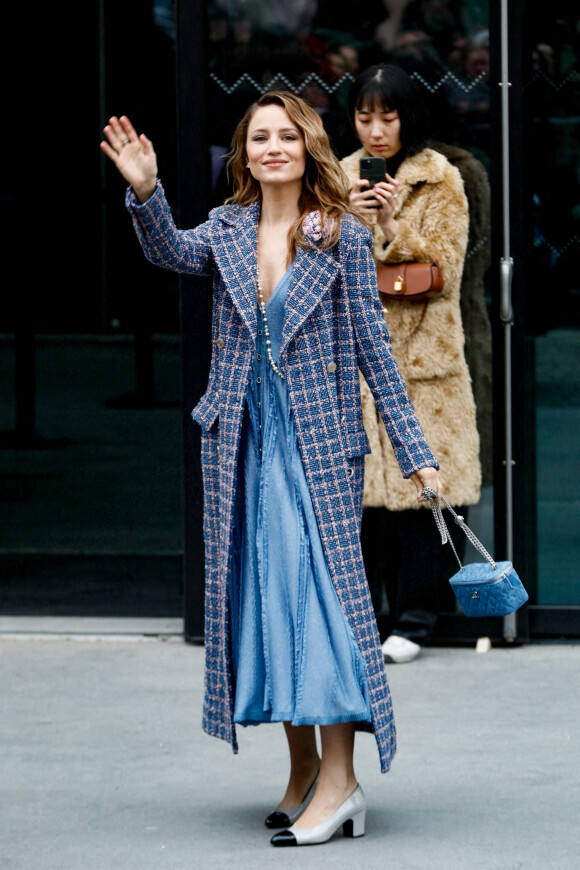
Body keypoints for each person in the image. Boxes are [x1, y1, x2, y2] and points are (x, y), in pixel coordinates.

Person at [101, 91, 440, 847]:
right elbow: (170, 252)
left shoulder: (340, 235)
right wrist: (148, 192)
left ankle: (343, 782)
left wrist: (416, 454)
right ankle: (302, 774)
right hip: (244, 443)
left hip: (317, 447)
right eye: (260, 137)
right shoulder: (224, 229)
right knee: (263, 600)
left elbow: (373, 353)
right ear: (244, 153)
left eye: (288, 135)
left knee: (320, 604)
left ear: (308, 145)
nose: (274, 147)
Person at [340, 64, 481, 663]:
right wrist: (348, 221)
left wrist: (392, 225)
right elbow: (318, 270)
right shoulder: (338, 177)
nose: (376, 132)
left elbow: (439, 274)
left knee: (427, 497)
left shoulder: (441, 179)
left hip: (424, 362)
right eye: (365, 117)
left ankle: (417, 618)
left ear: (409, 118)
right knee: (364, 501)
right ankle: (368, 615)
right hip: (355, 358)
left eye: (388, 117)